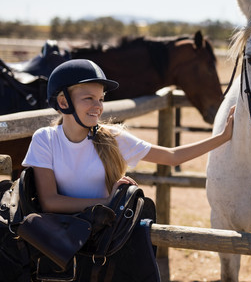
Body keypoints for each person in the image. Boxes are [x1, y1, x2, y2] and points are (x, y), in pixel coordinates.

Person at [22, 59, 235, 214]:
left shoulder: (112, 137)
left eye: (101, 99)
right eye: (89, 98)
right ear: (63, 102)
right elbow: (50, 202)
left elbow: (172, 157)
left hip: (102, 233)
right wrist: (108, 201)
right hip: (59, 236)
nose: (98, 106)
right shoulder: (45, 139)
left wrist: (223, 137)